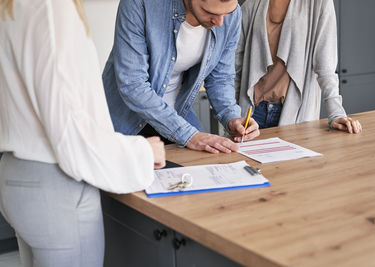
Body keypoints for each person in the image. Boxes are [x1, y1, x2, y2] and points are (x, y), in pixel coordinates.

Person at [0, 0, 165, 266]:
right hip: (56, 186)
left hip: (20, 177)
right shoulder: (51, 7)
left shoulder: (14, 6)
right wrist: (143, 152)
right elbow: (69, 129)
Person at [102, 0, 260, 154]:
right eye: (209, 12)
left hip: (177, 113)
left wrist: (231, 116)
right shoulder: (139, 4)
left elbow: (221, 77)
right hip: (125, 115)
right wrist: (189, 135)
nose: (219, 22)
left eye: (227, 13)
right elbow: (133, 85)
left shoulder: (231, 16)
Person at [235, 0, 362, 133]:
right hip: (252, 113)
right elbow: (235, 66)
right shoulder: (250, 5)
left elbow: (326, 66)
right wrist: (234, 113)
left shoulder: (319, 3)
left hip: (295, 112)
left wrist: (336, 113)